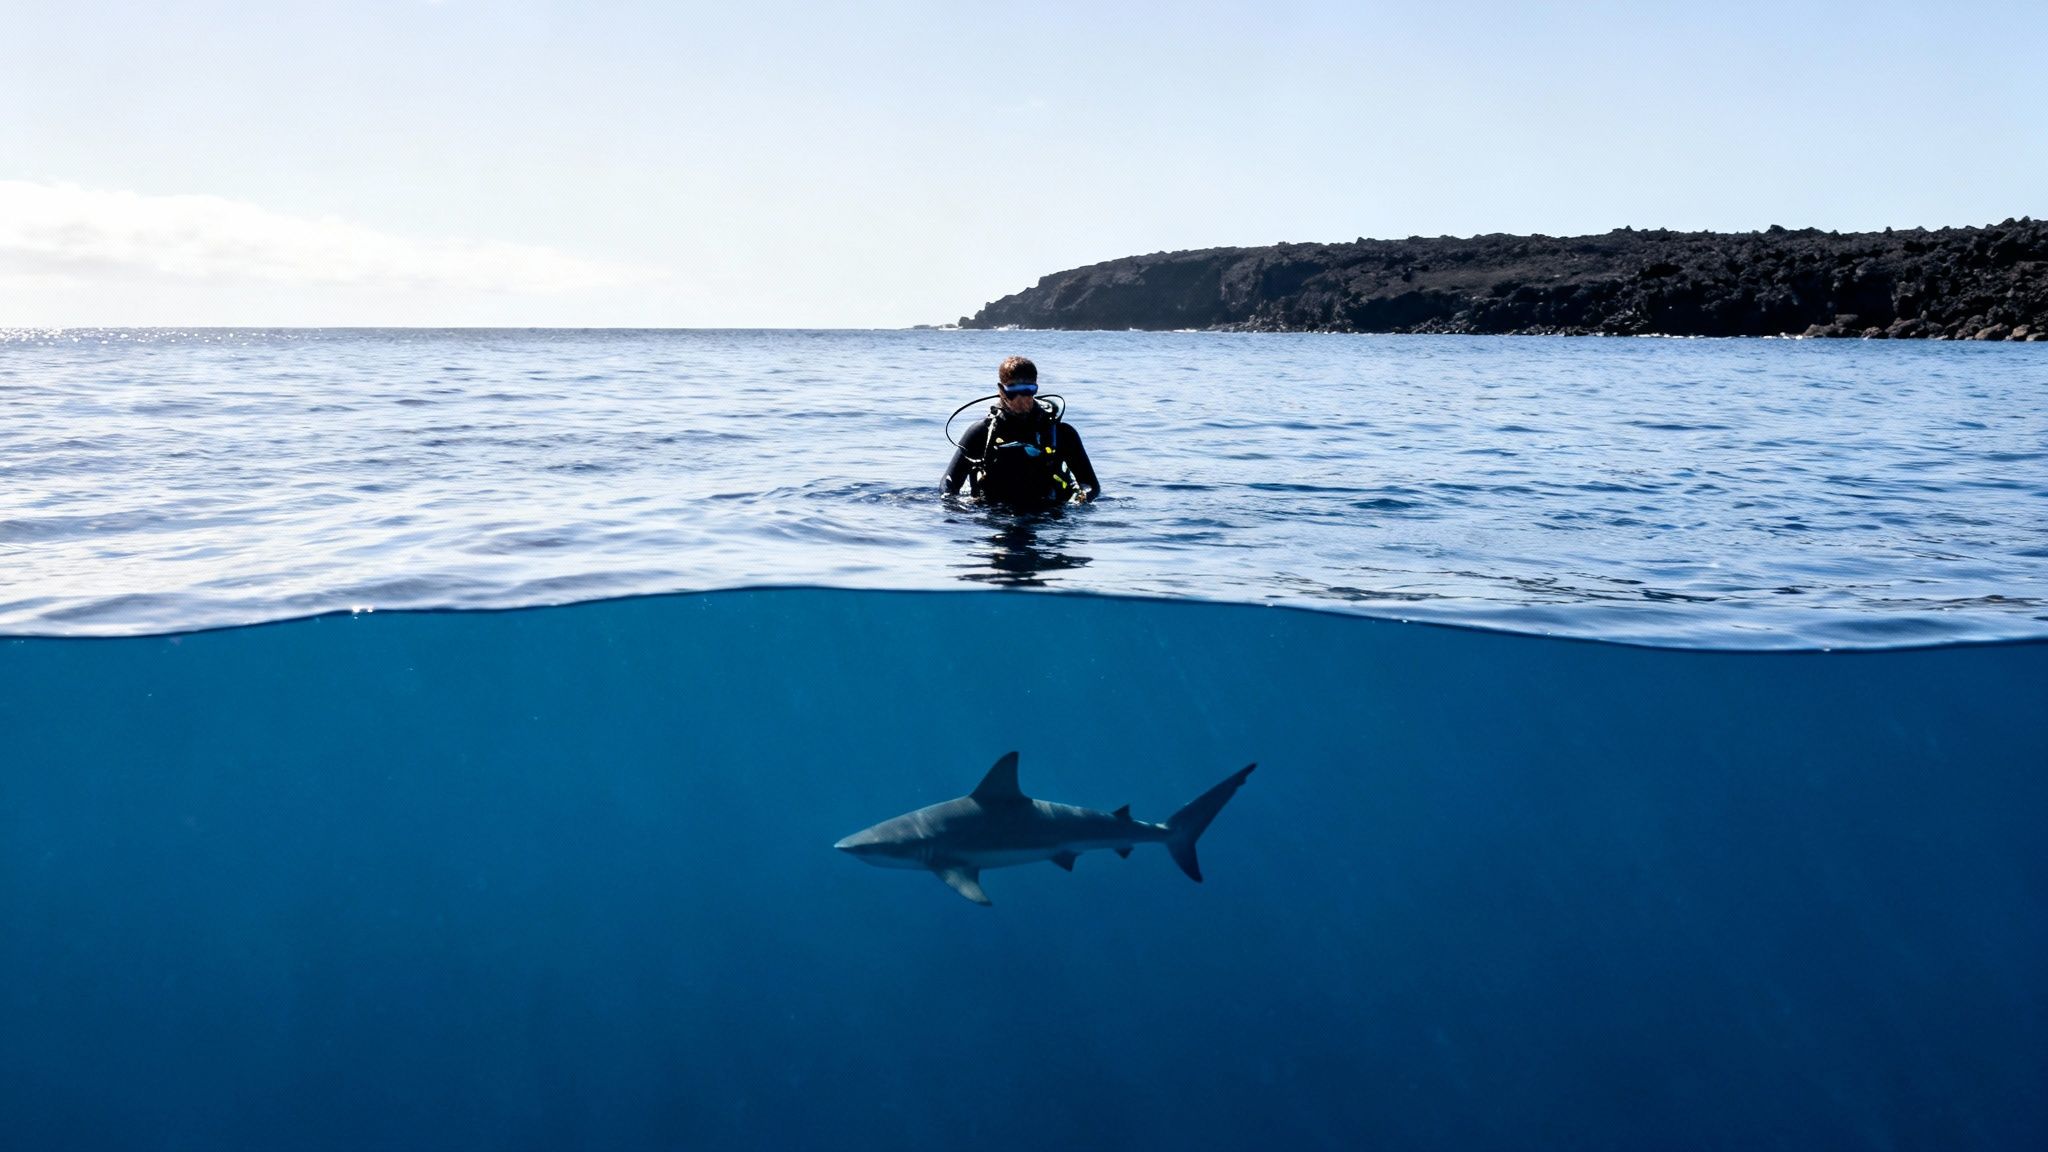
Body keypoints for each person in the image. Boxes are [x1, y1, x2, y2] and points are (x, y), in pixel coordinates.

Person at [941, 356, 1101, 508]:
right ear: (1001, 390)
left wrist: (1081, 499)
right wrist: (956, 506)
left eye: (1028, 390)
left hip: (1048, 516)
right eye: (1013, 391)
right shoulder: (981, 432)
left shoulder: (1062, 433)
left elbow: (1091, 485)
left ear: (1035, 389)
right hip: (993, 514)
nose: (1021, 399)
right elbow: (948, 483)